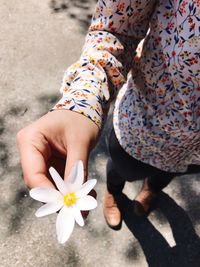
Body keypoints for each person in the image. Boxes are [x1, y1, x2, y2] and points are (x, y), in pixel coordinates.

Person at [17, 0, 200, 230]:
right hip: (144, 128)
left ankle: (150, 190)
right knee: (120, 169)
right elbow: (116, 28)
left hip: (194, 155)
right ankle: (113, 194)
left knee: (166, 175)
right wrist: (82, 101)